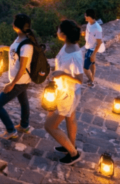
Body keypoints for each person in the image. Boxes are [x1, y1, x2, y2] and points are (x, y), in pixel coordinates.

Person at [45, 19, 84, 166]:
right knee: (70, 118)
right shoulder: (68, 45)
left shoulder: (75, 54)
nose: (57, 31)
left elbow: (80, 79)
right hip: (65, 90)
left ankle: (73, 154)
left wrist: (62, 74)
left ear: (64, 34)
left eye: (59, 29)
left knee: (49, 126)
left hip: (68, 94)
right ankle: (69, 146)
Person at [0, 14, 35, 139]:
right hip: (20, 80)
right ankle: (24, 125)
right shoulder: (20, 38)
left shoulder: (27, 45)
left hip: (20, 81)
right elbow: (15, 51)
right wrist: (4, 48)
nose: (12, 24)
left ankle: (11, 130)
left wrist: (12, 84)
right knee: (24, 102)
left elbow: (22, 68)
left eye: (14, 22)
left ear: (18, 27)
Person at [81, 9, 105, 88]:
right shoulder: (89, 23)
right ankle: (92, 78)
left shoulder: (97, 28)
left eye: (85, 15)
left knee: (85, 68)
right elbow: (90, 33)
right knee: (92, 64)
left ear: (89, 17)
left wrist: (93, 54)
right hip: (88, 46)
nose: (84, 16)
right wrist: (85, 34)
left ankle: (91, 81)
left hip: (91, 49)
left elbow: (99, 42)